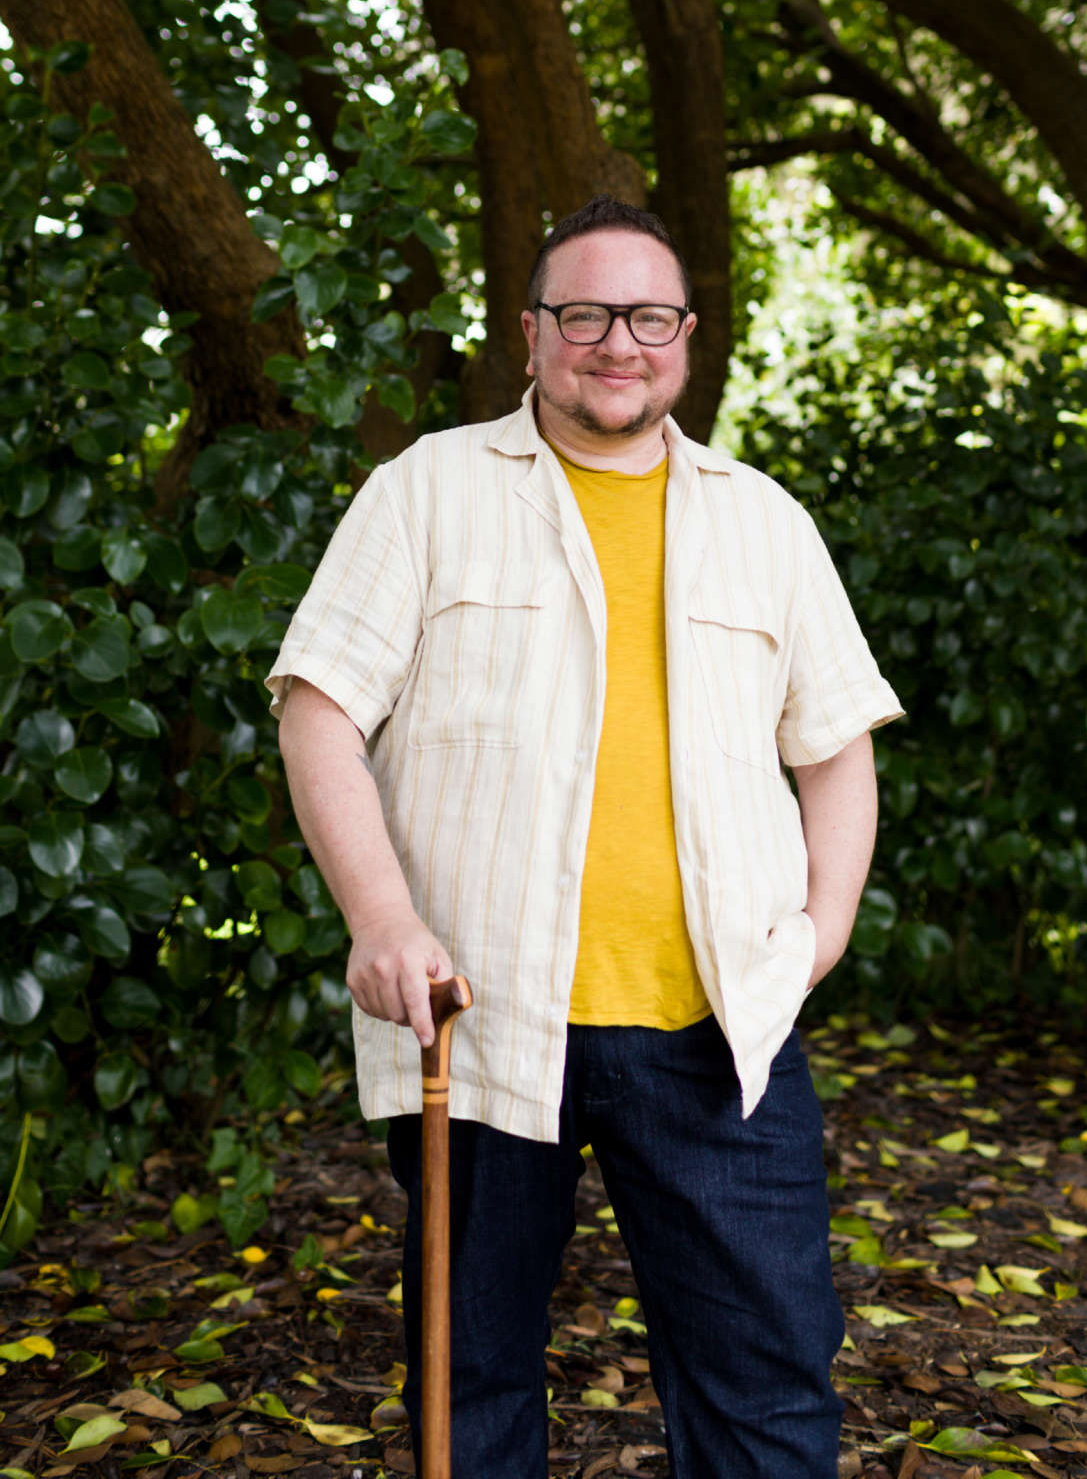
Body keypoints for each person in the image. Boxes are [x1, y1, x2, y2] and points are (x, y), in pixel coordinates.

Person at [268, 194, 903, 1478]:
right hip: (483, 1024)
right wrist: (383, 919)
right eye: (585, 312)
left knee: (770, 1391)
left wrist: (817, 939)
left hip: (721, 1030)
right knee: (473, 1384)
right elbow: (319, 712)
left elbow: (836, 746)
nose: (619, 340)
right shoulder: (425, 492)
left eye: (649, 314)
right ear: (531, 332)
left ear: (688, 334)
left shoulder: (763, 521)